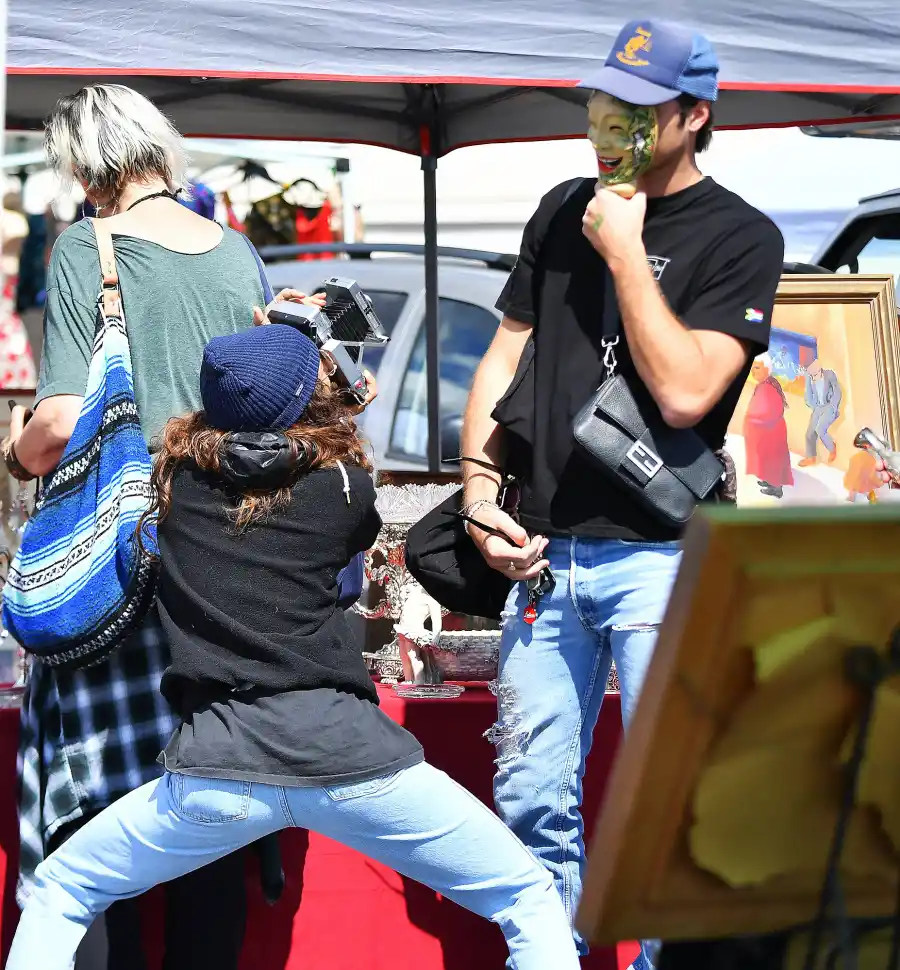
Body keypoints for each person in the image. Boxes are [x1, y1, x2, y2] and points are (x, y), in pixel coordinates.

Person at [5, 324, 580, 970]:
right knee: (528, 896)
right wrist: (330, 374)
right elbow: (345, 484)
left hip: (215, 772)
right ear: (304, 402)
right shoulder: (341, 487)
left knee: (60, 888)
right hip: (346, 758)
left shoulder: (175, 489)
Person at [0, 83, 360, 970]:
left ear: (86, 167)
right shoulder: (238, 252)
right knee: (209, 811)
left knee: (102, 828)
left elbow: (58, 418)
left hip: (118, 564)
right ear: (160, 151)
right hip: (228, 559)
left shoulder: (91, 247)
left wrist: (15, 454)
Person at [459, 19, 785, 968]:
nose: (611, 129)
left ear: (694, 116)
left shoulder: (740, 235)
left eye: (638, 113)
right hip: (545, 555)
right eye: (602, 105)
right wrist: (480, 492)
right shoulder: (562, 208)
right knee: (527, 791)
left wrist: (629, 255)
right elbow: (507, 355)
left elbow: (689, 391)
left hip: (667, 559)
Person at [743, 354, 793, 499]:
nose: (753, 371)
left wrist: (756, 422)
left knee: (773, 460)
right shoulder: (766, 383)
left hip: (771, 432)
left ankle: (776, 489)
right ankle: (770, 482)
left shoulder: (768, 387)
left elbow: (773, 411)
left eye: (757, 368)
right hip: (769, 431)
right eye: (753, 368)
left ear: (767, 369)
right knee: (768, 459)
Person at [799, 357, 841, 466]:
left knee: (820, 429)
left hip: (829, 406)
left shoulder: (829, 374)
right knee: (809, 433)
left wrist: (833, 406)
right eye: (809, 368)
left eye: (814, 365)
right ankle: (810, 457)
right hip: (818, 407)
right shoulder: (810, 380)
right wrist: (814, 407)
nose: (813, 369)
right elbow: (808, 398)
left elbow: (837, 391)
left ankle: (832, 447)